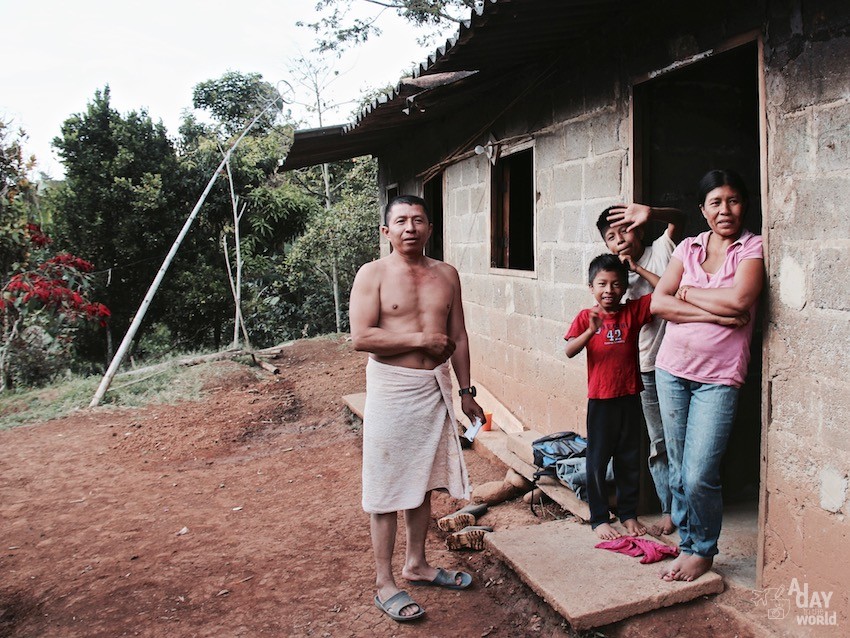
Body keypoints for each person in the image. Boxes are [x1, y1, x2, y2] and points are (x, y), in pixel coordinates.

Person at [349, 194, 485, 623]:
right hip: (392, 389)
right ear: (386, 231)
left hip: (435, 389)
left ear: (430, 228)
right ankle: (385, 581)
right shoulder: (372, 274)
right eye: (401, 221)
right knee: (386, 486)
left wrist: (467, 391)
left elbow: (458, 336)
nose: (411, 227)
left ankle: (417, 564)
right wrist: (419, 341)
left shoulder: (447, 274)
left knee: (423, 480)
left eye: (419, 220)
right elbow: (361, 337)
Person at [651, 169, 763, 582]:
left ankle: (703, 549)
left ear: (744, 204)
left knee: (700, 473)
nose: (725, 209)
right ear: (702, 209)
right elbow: (659, 305)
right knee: (679, 468)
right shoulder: (688, 246)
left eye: (732, 200)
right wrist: (715, 311)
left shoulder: (752, 247)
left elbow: (740, 300)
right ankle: (688, 544)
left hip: (719, 377)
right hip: (672, 370)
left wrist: (691, 294)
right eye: (715, 202)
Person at [597, 203, 683, 536]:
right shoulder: (616, 275)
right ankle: (668, 509)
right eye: (610, 237)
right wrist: (620, 276)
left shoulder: (662, 248)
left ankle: (687, 507)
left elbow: (681, 219)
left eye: (625, 230)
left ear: (641, 229)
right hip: (646, 366)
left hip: (679, 364)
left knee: (682, 441)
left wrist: (653, 213)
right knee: (658, 443)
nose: (619, 240)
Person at [564, 254, 653, 540]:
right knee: (597, 460)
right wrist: (591, 330)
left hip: (629, 395)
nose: (609, 290)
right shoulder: (585, 317)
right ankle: (599, 517)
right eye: (602, 283)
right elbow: (569, 350)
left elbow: (666, 289)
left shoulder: (633, 312)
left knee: (629, 458)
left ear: (626, 286)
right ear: (591, 287)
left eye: (616, 284)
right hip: (601, 400)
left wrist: (637, 268)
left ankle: (628, 514)